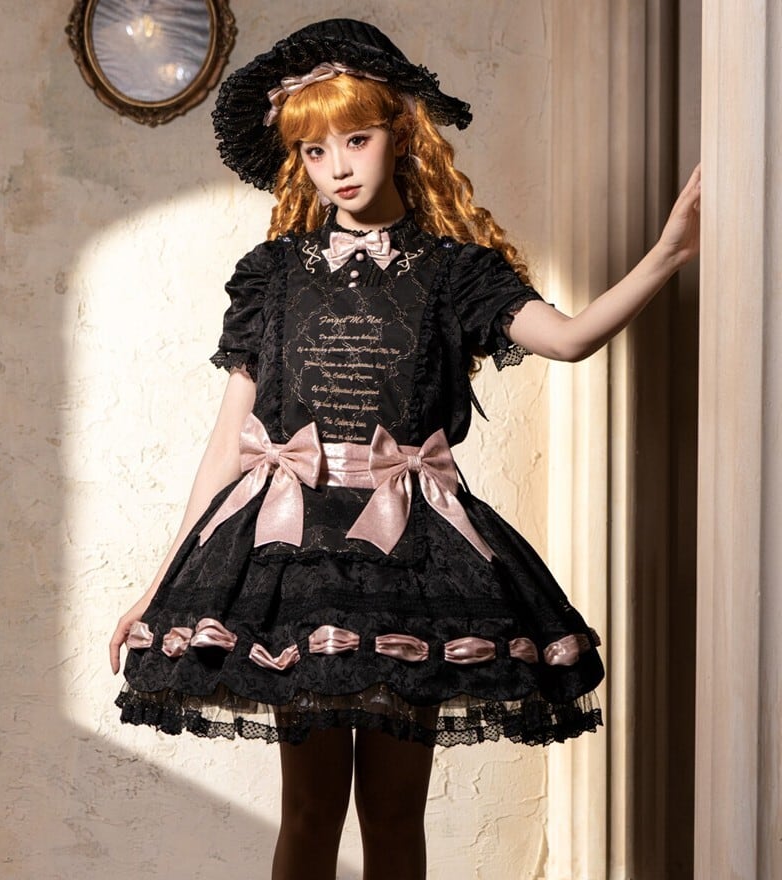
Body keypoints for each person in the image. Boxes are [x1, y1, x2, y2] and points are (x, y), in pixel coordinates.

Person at [109, 19, 700, 880]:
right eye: (314, 150)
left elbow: (569, 339)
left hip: (411, 559)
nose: (338, 167)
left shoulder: (457, 272)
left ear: (401, 133)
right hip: (291, 555)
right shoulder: (272, 275)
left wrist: (668, 254)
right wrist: (160, 584)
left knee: (393, 814)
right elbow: (229, 446)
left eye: (356, 139)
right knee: (309, 810)